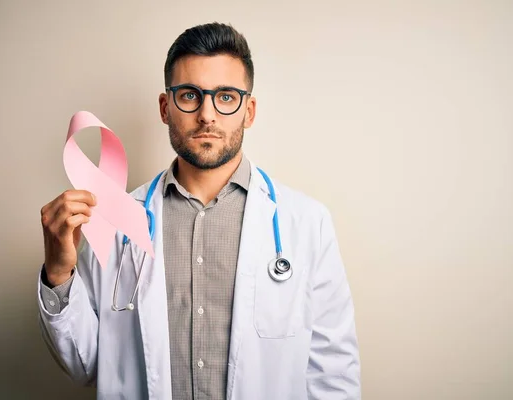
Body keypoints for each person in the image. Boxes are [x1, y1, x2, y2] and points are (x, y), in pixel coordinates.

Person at [38, 22, 361, 400]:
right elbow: (85, 365)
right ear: (165, 107)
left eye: (226, 97)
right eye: (190, 95)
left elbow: (333, 377)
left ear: (249, 110)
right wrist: (59, 272)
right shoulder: (116, 221)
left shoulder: (307, 223)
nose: (207, 114)